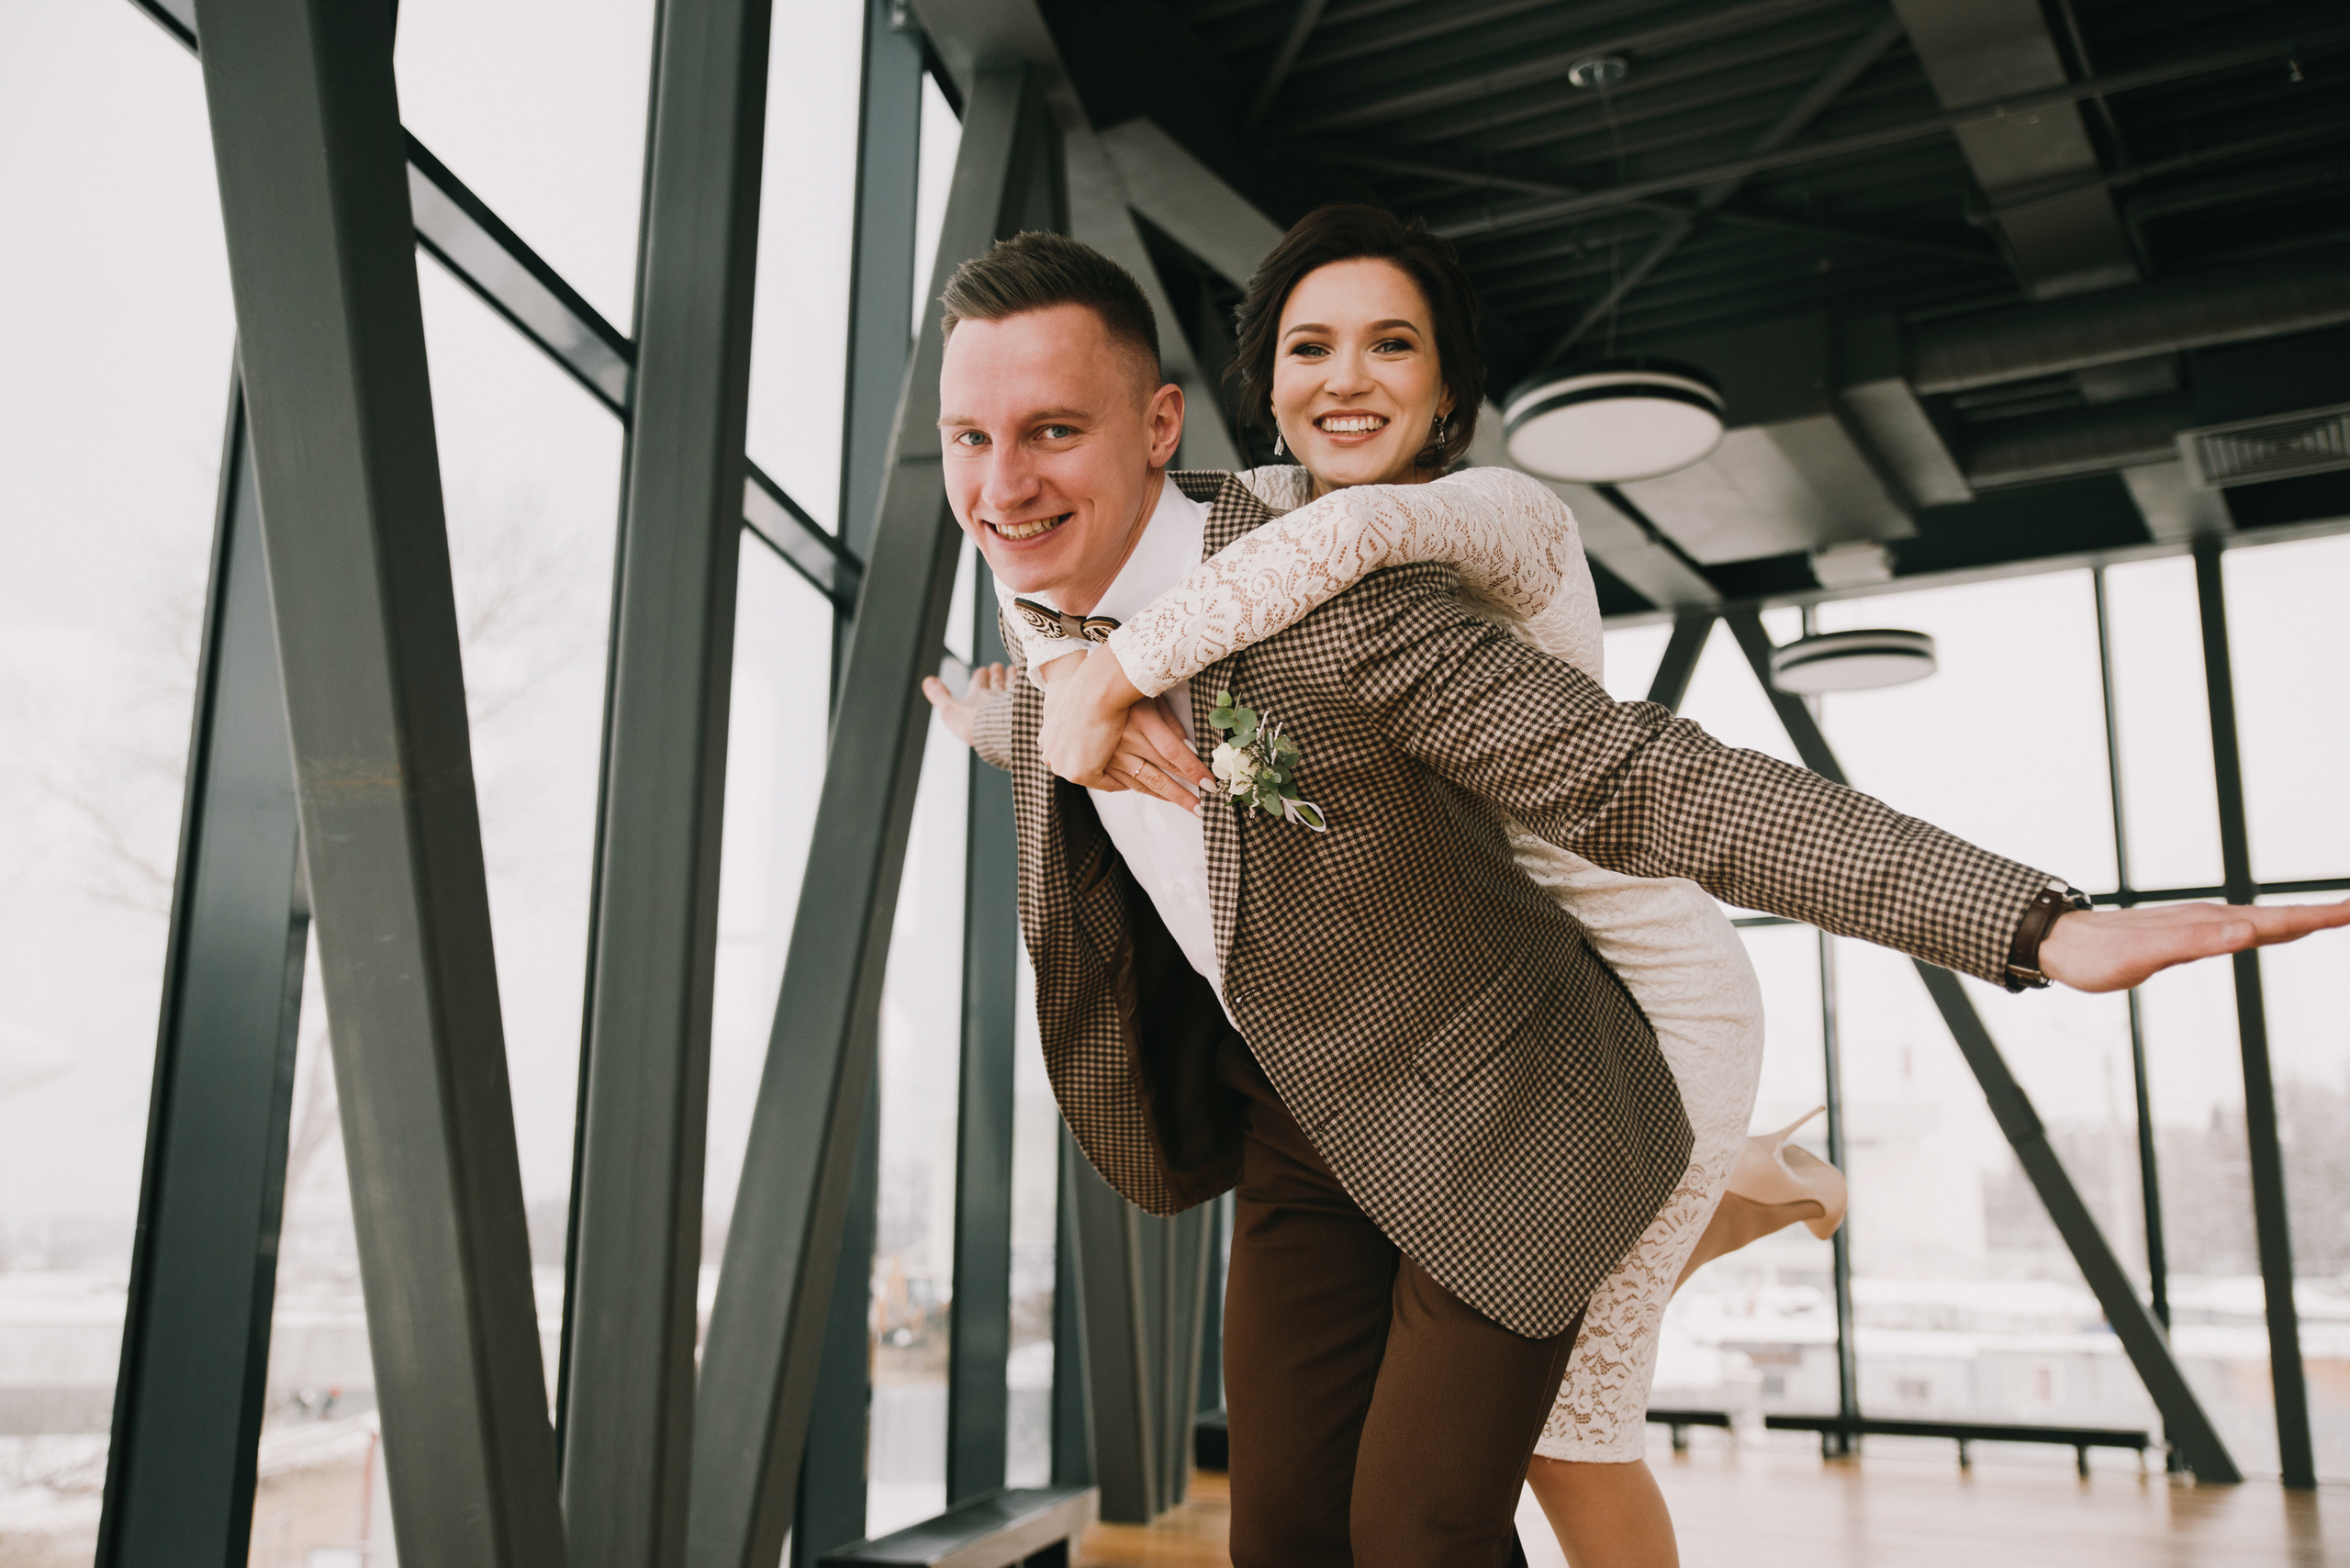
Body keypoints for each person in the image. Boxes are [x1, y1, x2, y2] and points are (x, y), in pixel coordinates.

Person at [915, 220, 2346, 1568]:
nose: (1003, 486)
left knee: (1424, 1537)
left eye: (1051, 432)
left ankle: (1722, 1179)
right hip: (1303, 1110)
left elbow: (1642, 777)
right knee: (1283, 1539)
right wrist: (1014, 714)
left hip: (1514, 1108)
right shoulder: (1036, 570)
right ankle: (1747, 1191)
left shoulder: (1336, 593)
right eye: (969, 441)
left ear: (1160, 427)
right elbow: (1070, 685)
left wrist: (2037, 924)